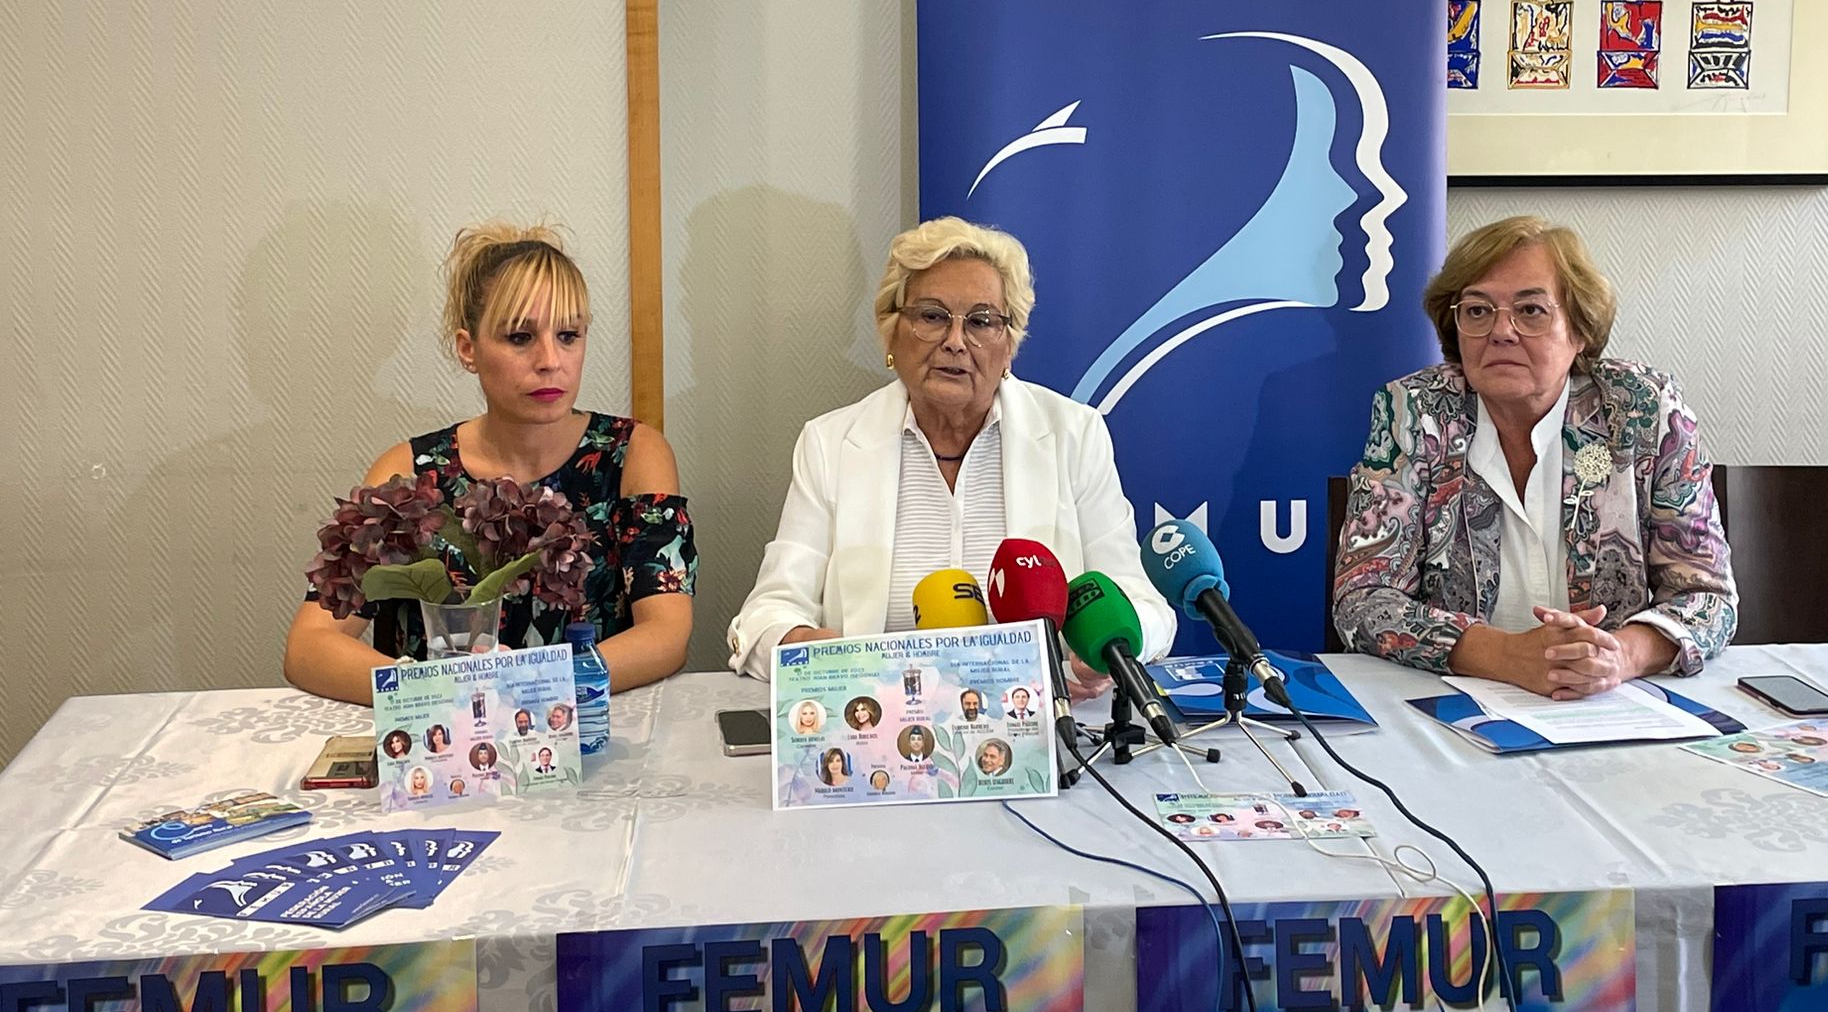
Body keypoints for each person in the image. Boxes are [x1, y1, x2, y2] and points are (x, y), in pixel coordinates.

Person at [726, 218, 1176, 692]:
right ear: (891, 333)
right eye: (932, 316)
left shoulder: (1074, 435)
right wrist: (801, 644)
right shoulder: (830, 443)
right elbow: (766, 613)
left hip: (1047, 725)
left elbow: (1143, 604)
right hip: (884, 725)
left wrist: (1113, 653)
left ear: (1009, 346)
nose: (956, 342)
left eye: (982, 321)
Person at [285, 223, 698, 703]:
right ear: (468, 349)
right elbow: (310, 647)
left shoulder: (632, 454)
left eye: (568, 335)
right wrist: (451, 696)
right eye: (520, 337)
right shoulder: (411, 473)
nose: (550, 360)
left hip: (585, 736)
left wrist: (526, 691)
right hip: (447, 751)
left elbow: (667, 635)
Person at [1333, 216, 1737, 699]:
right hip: (1455, 698)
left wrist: (1617, 656)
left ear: (1580, 329)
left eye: (1530, 310)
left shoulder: (1642, 409)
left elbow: (1707, 596)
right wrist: (1504, 655)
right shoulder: (1414, 410)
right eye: (1478, 311)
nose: (1501, 331)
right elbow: (1362, 598)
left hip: (1611, 701)